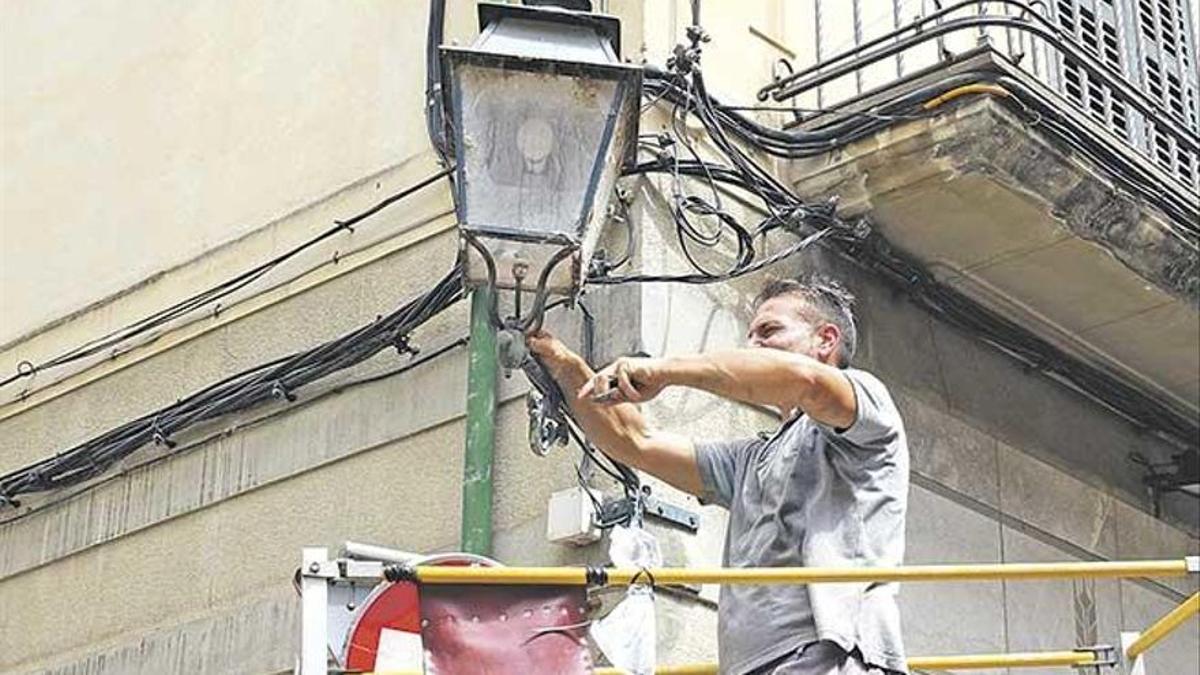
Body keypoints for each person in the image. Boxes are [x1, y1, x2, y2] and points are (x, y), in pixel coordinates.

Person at [527, 274, 909, 675]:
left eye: (769, 331)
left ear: (825, 341)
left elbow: (808, 383)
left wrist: (665, 370)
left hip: (830, 656)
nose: (753, 345)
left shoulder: (866, 405)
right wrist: (563, 363)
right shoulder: (751, 459)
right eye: (750, 336)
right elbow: (636, 441)